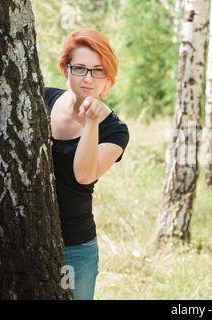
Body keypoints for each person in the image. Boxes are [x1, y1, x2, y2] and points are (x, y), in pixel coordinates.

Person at [44, 28, 129, 300]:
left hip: (75, 246)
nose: (88, 78)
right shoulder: (39, 100)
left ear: (108, 77)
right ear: (65, 69)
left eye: (98, 70)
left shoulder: (114, 130)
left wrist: (92, 121)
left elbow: (83, 174)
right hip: (20, 235)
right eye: (79, 68)